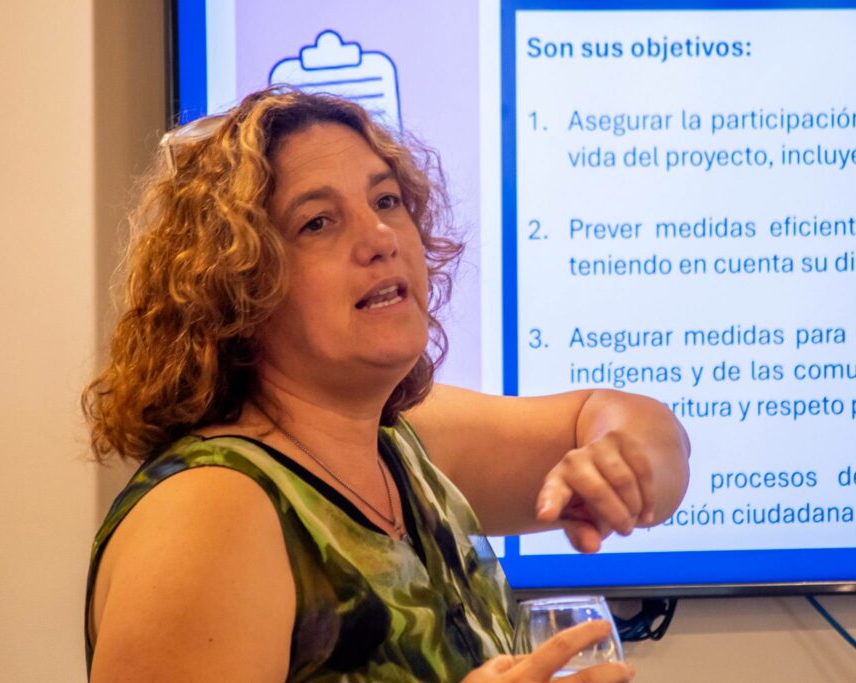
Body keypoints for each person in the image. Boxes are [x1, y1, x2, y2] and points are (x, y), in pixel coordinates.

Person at [82, 86, 690, 682]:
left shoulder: (398, 440)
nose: (380, 238)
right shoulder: (209, 512)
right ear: (234, 285)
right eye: (318, 222)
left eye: (387, 200)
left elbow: (625, 419)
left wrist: (625, 464)